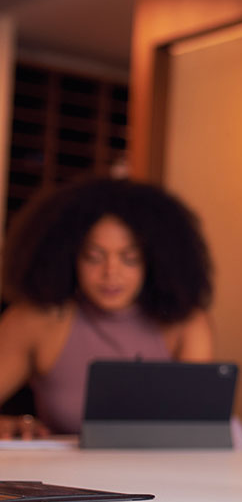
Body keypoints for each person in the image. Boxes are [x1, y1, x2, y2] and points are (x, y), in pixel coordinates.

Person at [0, 178, 213, 439]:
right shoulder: (34, 321)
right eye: (94, 257)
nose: (111, 273)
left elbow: (196, 430)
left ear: (155, 261)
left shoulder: (187, 323)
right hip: (62, 474)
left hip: (158, 474)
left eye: (130, 258)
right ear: (69, 257)